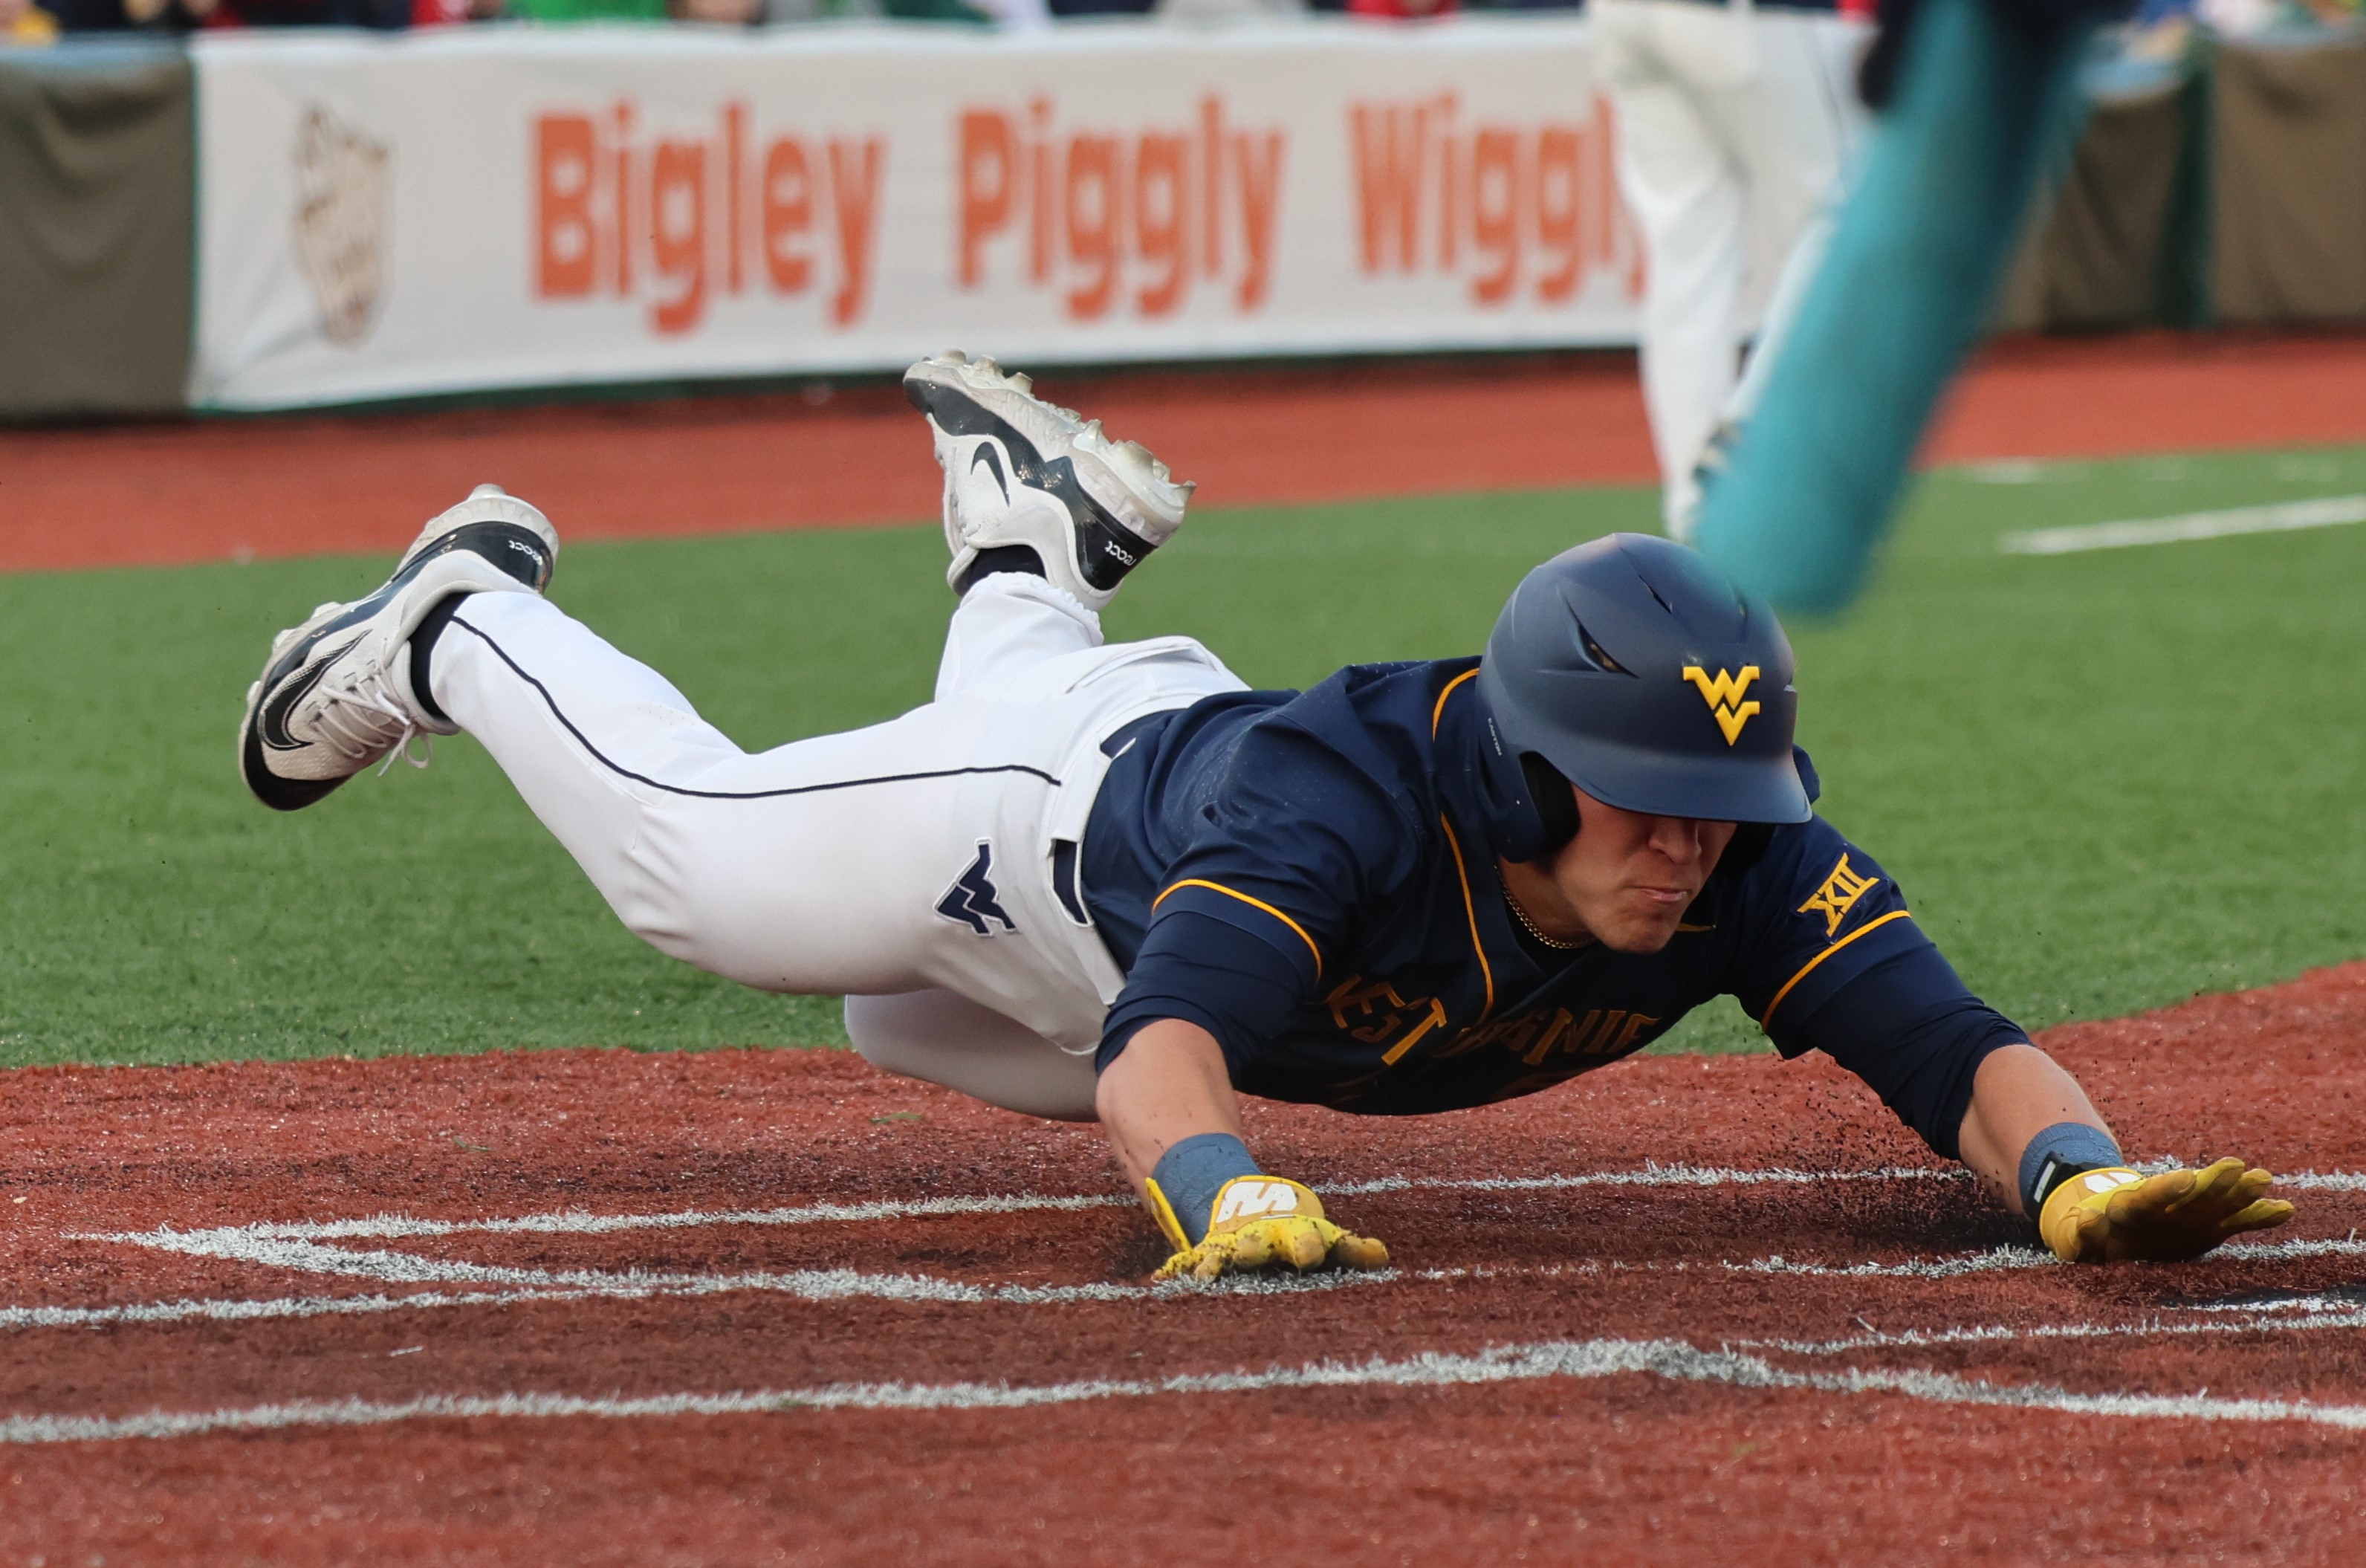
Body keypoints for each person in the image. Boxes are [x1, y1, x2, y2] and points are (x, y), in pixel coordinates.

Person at [236, 353, 2294, 1280]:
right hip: (1046, 846)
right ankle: (455, 617)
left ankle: (1022, 550)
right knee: (705, 868)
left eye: (1717, 801)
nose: (1690, 842)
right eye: (1648, 796)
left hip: (1139, 799)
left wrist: (2076, 1176)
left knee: (902, 1031)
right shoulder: (1338, 824)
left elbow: (1949, 1036)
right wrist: (1222, 1189)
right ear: (1529, 764)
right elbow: (1158, 1051)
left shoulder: (1733, 851)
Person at [1592, 0, 1873, 541]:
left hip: (1621, 16)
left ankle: (1694, 512)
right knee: (1848, 220)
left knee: (1684, 258)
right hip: (1750, 18)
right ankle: (1750, 427)